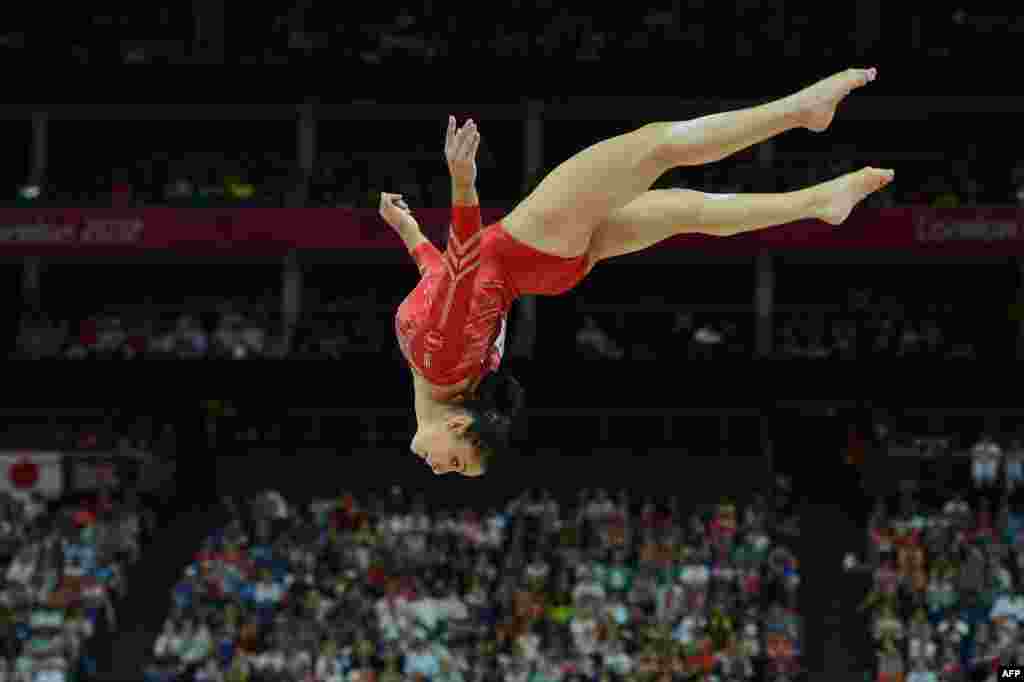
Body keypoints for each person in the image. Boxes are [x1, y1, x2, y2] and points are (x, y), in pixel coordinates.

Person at [383, 68, 894, 477]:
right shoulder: (442, 365)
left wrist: (409, 233)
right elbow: (464, 269)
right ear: (458, 423)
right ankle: (799, 111)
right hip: (528, 244)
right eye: (455, 463)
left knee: (685, 211)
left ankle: (819, 202)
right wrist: (463, 184)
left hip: (547, 268)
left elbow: (443, 279)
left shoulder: (443, 372)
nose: (439, 470)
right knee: (657, 147)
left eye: (452, 465)